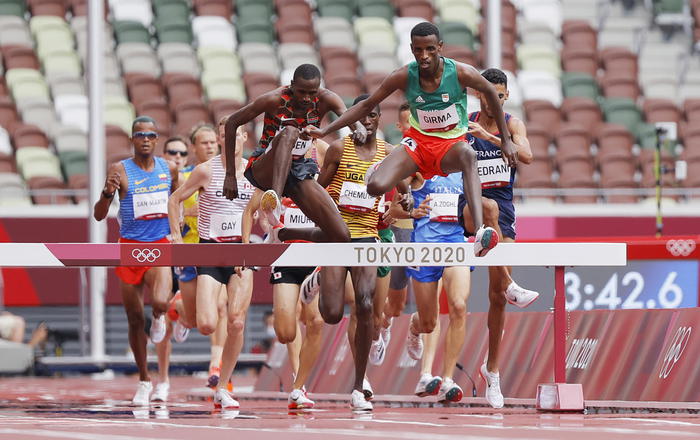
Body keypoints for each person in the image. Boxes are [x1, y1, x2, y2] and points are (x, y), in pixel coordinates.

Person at [304, 22, 517, 257]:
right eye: (418, 50)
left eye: (430, 49)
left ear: (440, 47)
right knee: (374, 186)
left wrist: (506, 139)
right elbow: (366, 104)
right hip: (418, 144)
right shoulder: (404, 75)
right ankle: (381, 169)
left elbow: (491, 93)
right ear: (412, 49)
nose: (424, 56)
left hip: (449, 146)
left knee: (468, 154)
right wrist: (325, 131)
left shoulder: (460, 73)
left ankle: (479, 232)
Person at [297, 94, 391, 410]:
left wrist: (403, 205)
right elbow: (317, 192)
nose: (366, 121)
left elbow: (401, 191)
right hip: (337, 238)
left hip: (368, 237)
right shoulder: (339, 149)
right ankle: (318, 279)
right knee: (332, 314)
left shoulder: (388, 154)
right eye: (360, 116)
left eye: (372, 115)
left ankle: (357, 388)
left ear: (379, 119)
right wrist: (327, 204)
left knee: (365, 304)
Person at [458, 68, 539, 409]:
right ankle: (511, 282)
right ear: (480, 95)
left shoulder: (512, 123)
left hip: (504, 212)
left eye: (501, 95)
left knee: (497, 298)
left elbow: (527, 156)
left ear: (505, 97)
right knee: (486, 208)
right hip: (469, 207)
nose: (496, 100)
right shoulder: (466, 122)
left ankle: (492, 372)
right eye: (490, 94)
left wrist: (491, 138)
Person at [222, 63, 362, 246]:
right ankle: (275, 200)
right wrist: (230, 175)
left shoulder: (327, 98)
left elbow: (349, 116)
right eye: (301, 92)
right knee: (290, 131)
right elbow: (231, 122)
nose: (306, 98)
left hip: (297, 170)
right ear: (292, 85)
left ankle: (281, 234)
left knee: (340, 235)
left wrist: (358, 128)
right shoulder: (273, 99)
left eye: (312, 93)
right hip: (266, 167)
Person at [167, 123, 255, 410]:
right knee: (205, 324)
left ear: (244, 137)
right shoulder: (205, 170)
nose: (230, 138)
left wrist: (267, 226)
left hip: (241, 256)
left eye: (236, 133)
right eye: (224, 133)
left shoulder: (255, 171)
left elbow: (263, 210)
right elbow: (174, 199)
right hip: (210, 252)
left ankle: (223, 385)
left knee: (236, 321)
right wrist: (177, 239)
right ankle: (181, 308)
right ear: (220, 139)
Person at [93, 116, 179, 405]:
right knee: (132, 319)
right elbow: (98, 214)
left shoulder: (168, 168)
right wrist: (107, 192)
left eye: (151, 135)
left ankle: (158, 318)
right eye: (140, 134)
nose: (145, 139)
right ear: (132, 139)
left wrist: (178, 231)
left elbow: (177, 201)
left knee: (160, 303)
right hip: (130, 248)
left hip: (159, 244)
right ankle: (144, 379)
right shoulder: (120, 169)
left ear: (157, 140)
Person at [242, 194, 324, 410]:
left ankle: (299, 386)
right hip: (286, 260)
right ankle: (298, 384)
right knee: (285, 332)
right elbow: (254, 212)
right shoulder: (275, 189)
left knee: (315, 321)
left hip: (314, 261)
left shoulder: (317, 186)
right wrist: (266, 218)